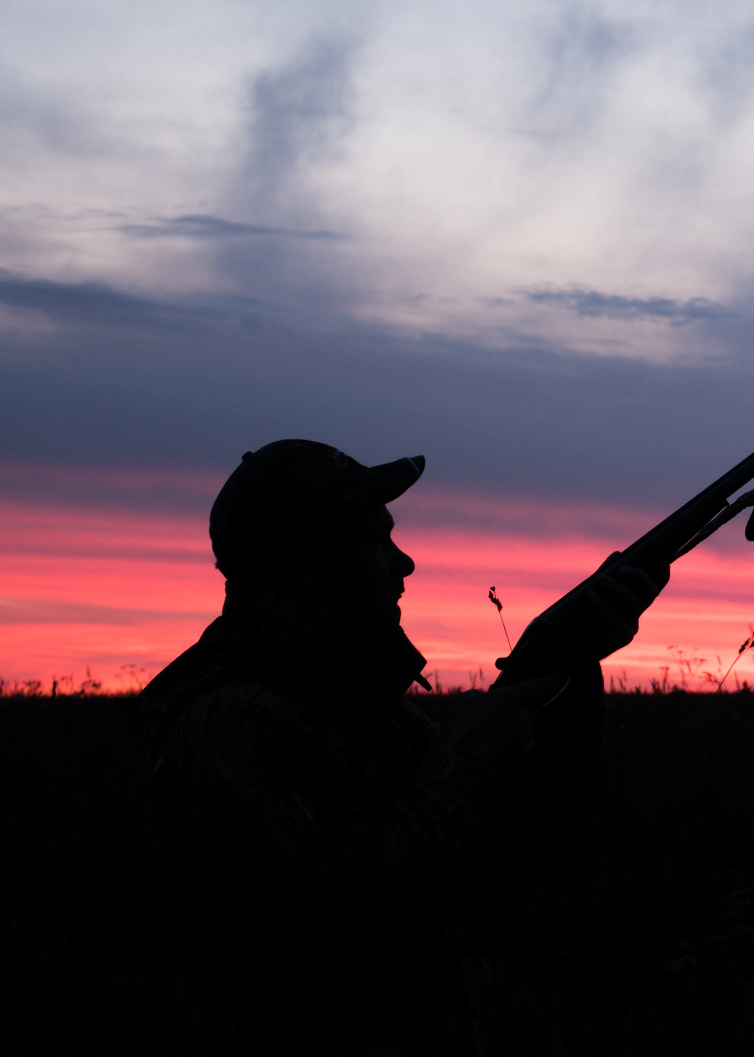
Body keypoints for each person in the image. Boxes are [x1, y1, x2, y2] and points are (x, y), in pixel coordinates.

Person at [141, 440, 664, 1055]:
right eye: (373, 540)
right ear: (302, 566)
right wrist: (467, 751)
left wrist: (571, 669)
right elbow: (361, 915)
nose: (404, 563)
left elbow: (513, 850)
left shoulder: (358, 703)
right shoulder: (234, 723)